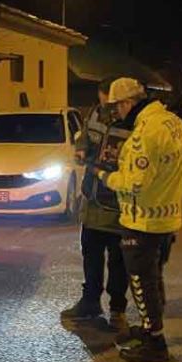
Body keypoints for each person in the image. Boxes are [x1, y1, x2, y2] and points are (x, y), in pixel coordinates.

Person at [93, 78, 182, 362]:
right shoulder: (173, 122)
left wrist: (104, 176)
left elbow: (134, 183)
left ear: (127, 103)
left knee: (141, 282)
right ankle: (150, 329)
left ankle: (155, 343)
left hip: (142, 220)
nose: (116, 113)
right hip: (166, 215)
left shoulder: (144, 133)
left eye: (117, 107)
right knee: (154, 277)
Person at [61, 80, 131, 333]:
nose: (104, 104)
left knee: (118, 260)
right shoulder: (96, 113)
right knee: (91, 254)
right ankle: (90, 302)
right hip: (92, 199)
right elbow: (85, 137)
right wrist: (82, 149)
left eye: (107, 98)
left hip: (118, 202)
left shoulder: (132, 121)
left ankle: (117, 310)